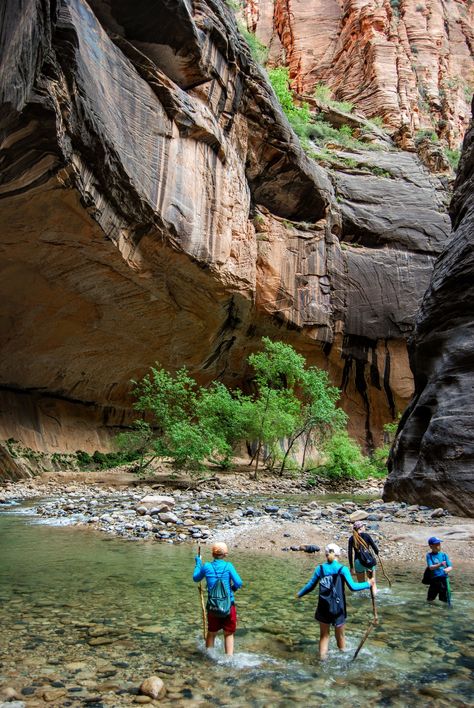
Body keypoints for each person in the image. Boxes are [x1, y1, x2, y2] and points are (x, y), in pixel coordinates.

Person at [296, 543, 376, 660]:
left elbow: (310, 586)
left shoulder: (320, 569)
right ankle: (343, 660)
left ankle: (322, 661)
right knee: (340, 637)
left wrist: (299, 594)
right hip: (338, 608)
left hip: (323, 607)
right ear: (339, 554)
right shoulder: (342, 569)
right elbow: (353, 587)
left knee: (324, 636)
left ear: (325, 554)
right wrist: (368, 584)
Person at [193, 541, 243, 656]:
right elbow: (239, 582)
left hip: (213, 606)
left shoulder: (206, 566)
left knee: (211, 632)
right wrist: (232, 589)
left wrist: (198, 562)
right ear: (225, 555)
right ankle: (229, 659)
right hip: (228, 606)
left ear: (212, 554)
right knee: (228, 633)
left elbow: (196, 578)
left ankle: (210, 656)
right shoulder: (228, 566)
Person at [426, 536, 452, 604]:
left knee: (444, 600)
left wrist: (447, 569)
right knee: (430, 599)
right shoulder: (429, 555)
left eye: (439, 544)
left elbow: (450, 566)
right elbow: (431, 567)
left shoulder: (444, 555)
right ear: (431, 546)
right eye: (437, 545)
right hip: (434, 581)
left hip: (444, 580)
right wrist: (440, 565)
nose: (439, 546)